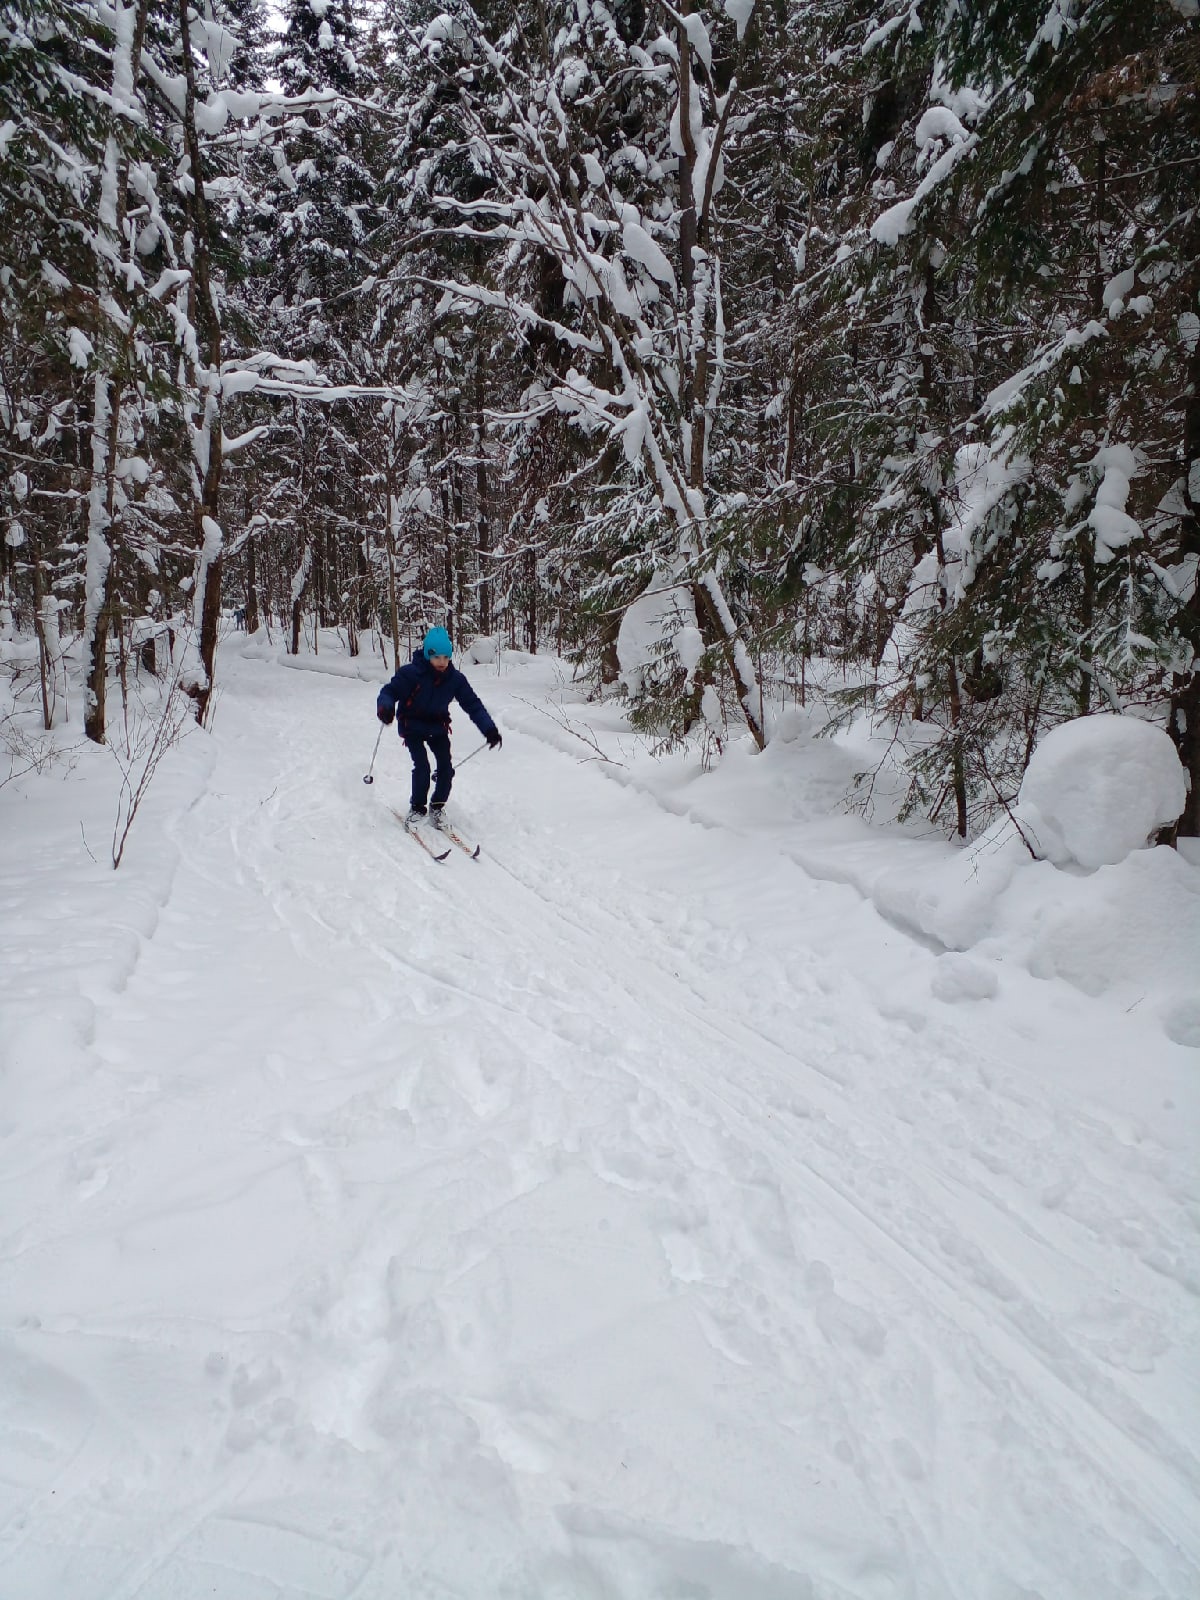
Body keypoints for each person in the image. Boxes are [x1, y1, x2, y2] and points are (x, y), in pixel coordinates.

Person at [376, 626, 501, 823]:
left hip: (437, 726)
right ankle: (417, 807)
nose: (442, 662)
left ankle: (437, 806)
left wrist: (489, 729)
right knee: (423, 766)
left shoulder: (455, 679)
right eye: (436, 657)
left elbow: (473, 704)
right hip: (412, 725)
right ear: (427, 655)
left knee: (445, 767)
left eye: (446, 657)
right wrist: (386, 707)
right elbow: (389, 691)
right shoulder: (411, 674)